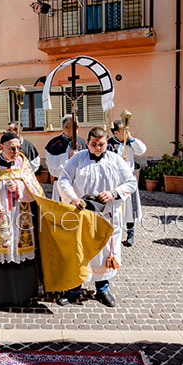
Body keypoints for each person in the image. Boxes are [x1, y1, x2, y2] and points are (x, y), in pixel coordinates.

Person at [58, 126, 137, 307]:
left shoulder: (116, 160)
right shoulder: (78, 159)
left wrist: (114, 193)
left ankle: (103, 289)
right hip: (82, 214)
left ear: (106, 143)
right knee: (80, 251)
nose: (98, 148)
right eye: (94, 144)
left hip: (106, 215)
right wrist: (72, 198)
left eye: (101, 144)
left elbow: (131, 182)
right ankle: (73, 289)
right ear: (88, 143)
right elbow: (63, 179)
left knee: (103, 253)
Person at [0, 132, 45, 307]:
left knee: (23, 254)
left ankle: (25, 295)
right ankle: (1, 297)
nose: (16, 151)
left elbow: (37, 193)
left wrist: (20, 188)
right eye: (12, 148)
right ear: (1, 148)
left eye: (18, 148)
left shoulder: (23, 165)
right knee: (1, 256)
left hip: (22, 219)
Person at [108, 119, 146, 247]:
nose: (126, 132)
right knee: (116, 208)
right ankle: (113, 233)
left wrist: (132, 139)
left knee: (130, 208)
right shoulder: (109, 144)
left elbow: (142, 150)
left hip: (129, 179)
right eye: (124, 130)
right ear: (116, 132)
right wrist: (118, 160)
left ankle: (131, 233)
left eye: (127, 130)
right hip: (115, 181)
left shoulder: (129, 143)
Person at [45, 115, 87, 201]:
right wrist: (67, 156)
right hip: (61, 184)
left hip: (79, 184)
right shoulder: (54, 143)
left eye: (78, 125)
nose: (78, 127)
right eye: (75, 125)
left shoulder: (82, 142)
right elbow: (50, 162)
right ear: (66, 127)